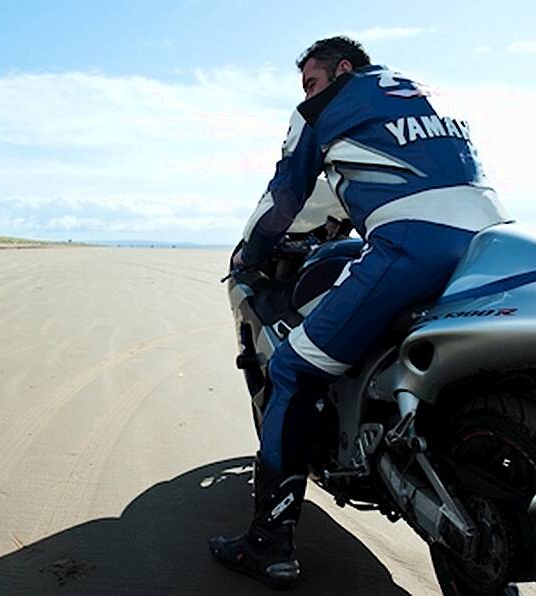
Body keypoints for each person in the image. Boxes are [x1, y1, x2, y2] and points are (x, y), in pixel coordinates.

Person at [209, 36, 510, 587]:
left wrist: (248, 257)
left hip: (412, 247)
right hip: (490, 243)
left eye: (311, 81)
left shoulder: (323, 108)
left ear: (341, 70)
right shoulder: (428, 98)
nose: (308, 93)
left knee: (291, 370)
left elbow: (286, 198)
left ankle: (269, 541)